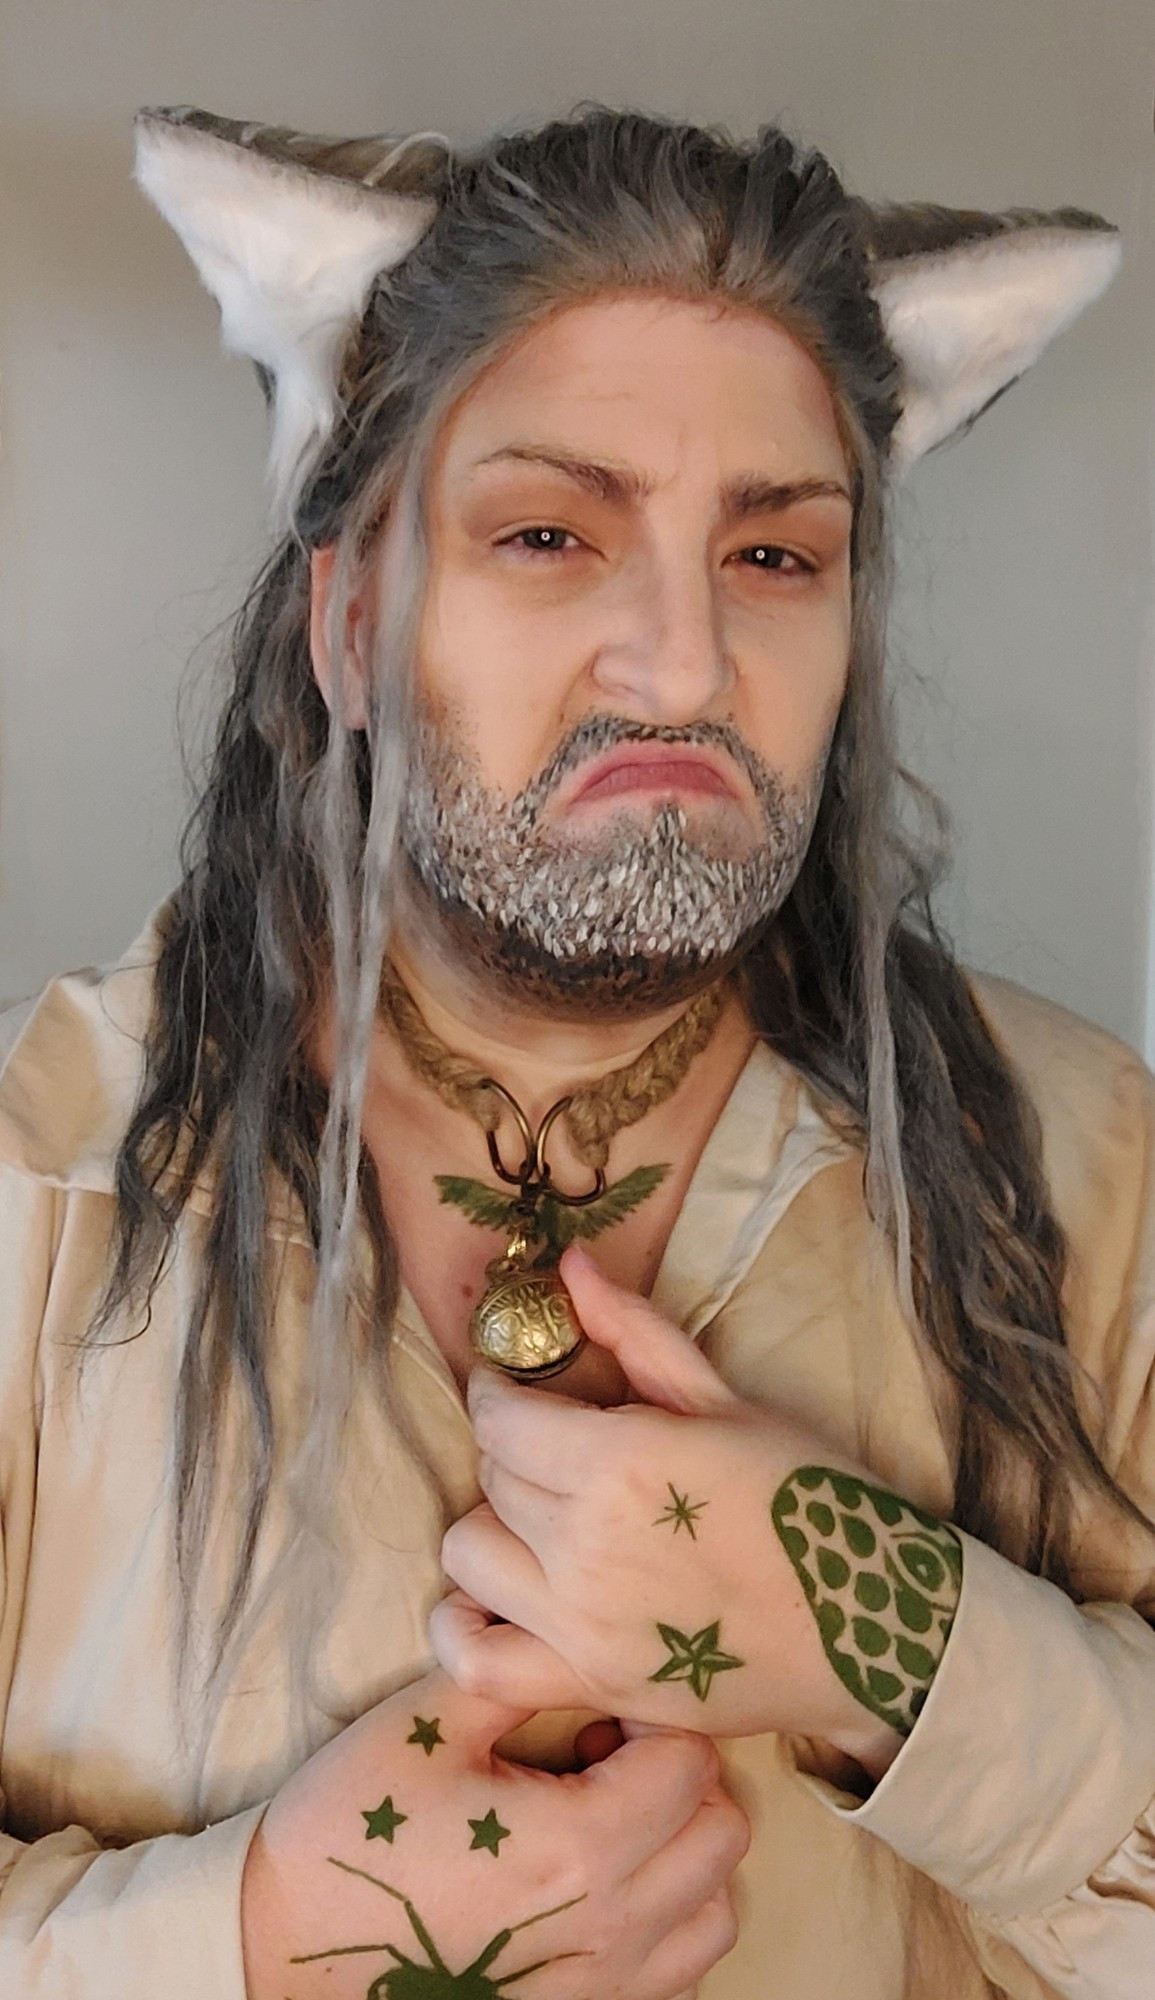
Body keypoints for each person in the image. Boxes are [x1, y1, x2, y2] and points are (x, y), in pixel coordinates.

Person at [0, 100, 1151, 2000]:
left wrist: (901, 1641)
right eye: (550, 532)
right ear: (352, 623)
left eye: (777, 560)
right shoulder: (41, 1191)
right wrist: (260, 1940)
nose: (684, 666)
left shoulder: (1103, 1182)